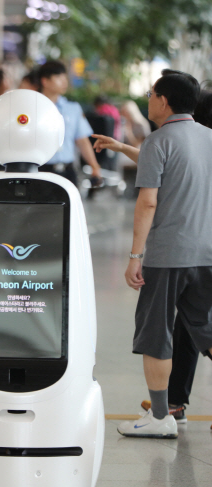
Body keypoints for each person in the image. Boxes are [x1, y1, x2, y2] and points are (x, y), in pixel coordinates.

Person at [92, 90, 212, 431]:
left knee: (157, 333)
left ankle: (161, 416)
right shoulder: (206, 139)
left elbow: (147, 202)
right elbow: (169, 163)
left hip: (168, 255)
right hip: (206, 253)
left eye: (152, 95)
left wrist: (134, 256)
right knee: (204, 328)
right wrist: (121, 147)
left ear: (164, 100)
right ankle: (171, 408)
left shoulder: (161, 140)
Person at [37, 60, 102, 187]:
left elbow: (82, 141)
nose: (64, 81)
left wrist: (95, 167)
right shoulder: (33, 108)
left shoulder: (73, 108)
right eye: (58, 77)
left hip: (67, 172)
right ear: (45, 81)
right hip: (40, 172)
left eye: (65, 77)